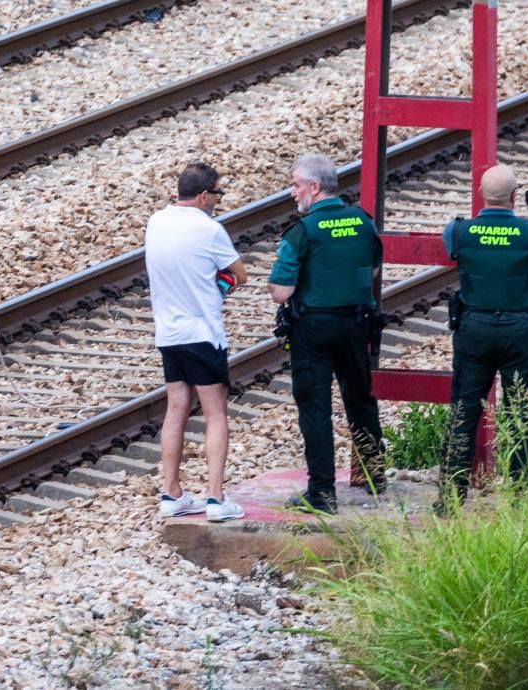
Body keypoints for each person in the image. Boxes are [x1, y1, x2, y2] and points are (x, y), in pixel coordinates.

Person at [436, 163, 528, 512]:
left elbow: (451, 248)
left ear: (481, 195)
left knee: (464, 412)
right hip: (519, 329)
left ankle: (450, 501)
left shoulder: (458, 231)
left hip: (474, 330)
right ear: (515, 197)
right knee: (522, 414)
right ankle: (521, 500)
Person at [267, 153, 384, 514]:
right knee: (360, 398)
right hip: (355, 324)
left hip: (314, 327)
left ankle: (321, 492)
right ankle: (375, 476)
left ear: (315, 188)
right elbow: (375, 267)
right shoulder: (363, 222)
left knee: (315, 407)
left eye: (296, 185)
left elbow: (280, 291)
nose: (292, 193)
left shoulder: (302, 232)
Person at [145, 162, 248, 522]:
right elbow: (240, 274)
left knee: (176, 408)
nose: (218, 201)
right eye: (217, 194)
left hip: (168, 333)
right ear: (204, 195)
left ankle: (172, 492)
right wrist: (219, 288)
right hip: (203, 332)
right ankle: (216, 498)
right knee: (215, 412)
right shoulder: (209, 229)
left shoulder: (156, 222)